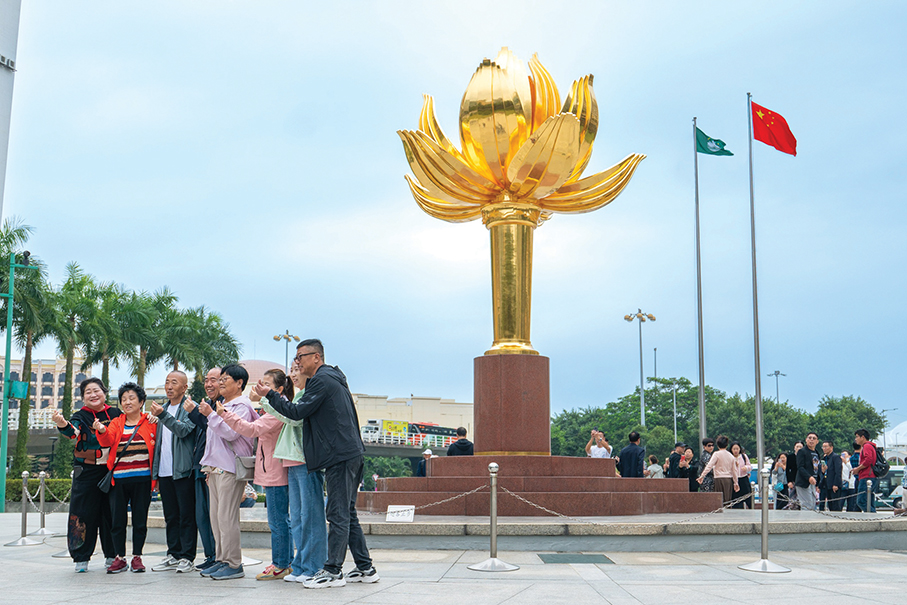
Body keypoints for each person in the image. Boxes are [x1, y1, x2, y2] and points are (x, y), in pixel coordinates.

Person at [260, 339, 379, 589]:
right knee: (347, 513)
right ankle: (365, 567)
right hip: (348, 453)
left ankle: (333, 571)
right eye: (297, 357)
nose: (298, 361)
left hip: (341, 455)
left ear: (316, 357)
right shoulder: (330, 378)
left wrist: (270, 395)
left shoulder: (322, 381)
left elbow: (296, 412)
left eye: (301, 356)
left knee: (337, 513)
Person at [220, 368, 295, 581]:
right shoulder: (272, 407)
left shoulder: (275, 410)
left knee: (278, 520)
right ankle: (284, 562)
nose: (261, 388)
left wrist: (224, 414)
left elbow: (251, 430)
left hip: (275, 471)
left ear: (279, 389)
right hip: (271, 470)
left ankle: (280, 564)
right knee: (281, 519)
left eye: (267, 386)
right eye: (260, 383)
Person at [258, 364, 327, 583]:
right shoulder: (300, 396)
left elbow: (294, 419)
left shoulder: (311, 395)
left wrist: (266, 401)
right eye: (292, 370)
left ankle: (314, 566)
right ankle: (300, 566)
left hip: (305, 460)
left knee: (310, 517)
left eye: (297, 369)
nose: (293, 375)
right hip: (291, 460)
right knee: (297, 517)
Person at [52, 378, 121, 572]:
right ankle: (80, 558)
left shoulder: (115, 413)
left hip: (111, 470)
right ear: (83, 398)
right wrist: (62, 423)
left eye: (96, 390)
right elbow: (73, 433)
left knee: (111, 514)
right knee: (82, 514)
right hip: (86, 471)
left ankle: (113, 556)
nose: (93, 395)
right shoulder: (80, 416)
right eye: (88, 392)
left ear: (104, 392)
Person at [197, 363, 257, 580]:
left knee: (227, 517)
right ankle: (222, 560)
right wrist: (208, 466)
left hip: (230, 468)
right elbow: (213, 441)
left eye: (225, 379)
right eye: (219, 379)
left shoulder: (242, 406)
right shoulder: (223, 405)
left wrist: (211, 415)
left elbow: (231, 434)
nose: (220, 382)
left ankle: (233, 563)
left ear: (239, 383)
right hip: (215, 469)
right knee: (216, 518)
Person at [93, 382, 156, 573]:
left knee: (140, 520)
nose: (127, 402)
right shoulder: (116, 423)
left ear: (141, 401)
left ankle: (137, 557)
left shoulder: (150, 422)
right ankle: (119, 557)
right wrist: (102, 430)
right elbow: (108, 439)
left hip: (143, 480)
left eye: (131, 398)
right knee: (117, 521)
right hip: (118, 481)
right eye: (123, 399)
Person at [150, 371, 199, 573]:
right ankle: (173, 554)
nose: (169, 386)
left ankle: (187, 557)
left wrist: (162, 415)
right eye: (167, 382)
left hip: (183, 470)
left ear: (184, 387)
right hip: (165, 471)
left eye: (174, 383)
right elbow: (159, 443)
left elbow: (183, 430)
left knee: (186, 514)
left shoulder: (190, 408)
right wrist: (156, 474)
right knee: (170, 515)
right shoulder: (163, 408)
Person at [181, 368, 220, 572]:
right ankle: (210, 555)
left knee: (215, 514)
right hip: (200, 464)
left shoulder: (222, 405)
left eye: (213, 380)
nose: (208, 384)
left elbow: (214, 426)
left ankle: (220, 556)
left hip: (214, 467)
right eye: (206, 380)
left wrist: (195, 412)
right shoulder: (208, 404)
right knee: (202, 514)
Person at [698, 435, 738, 505]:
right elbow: (734, 470)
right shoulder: (730, 456)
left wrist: (702, 476)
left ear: (717, 445)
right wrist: (736, 482)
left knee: (719, 500)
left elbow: (709, 466)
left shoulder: (716, 454)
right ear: (727, 445)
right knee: (727, 500)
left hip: (718, 479)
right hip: (728, 479)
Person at [852, 428, 878, 513]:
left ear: (862, 437)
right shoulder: (871, 446)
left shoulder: (866, 446)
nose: (856, 439)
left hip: (867, 476)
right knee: (869, 501)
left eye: (857, 437)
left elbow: (868, 460)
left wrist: (858, 469)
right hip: (871, 476)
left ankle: (872, 516)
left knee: (861, 501)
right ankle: (873, 518)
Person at [795, 432, 820, 511]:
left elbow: (816, 468)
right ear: (806, 440)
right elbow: (800, 467)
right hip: (804, 482)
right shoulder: (802, 451)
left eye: (814, 438)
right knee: (807, 506)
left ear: (817, 441)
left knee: (812, 505)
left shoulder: (816, 453)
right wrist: (809, 477)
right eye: (809, 438)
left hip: (813, 483)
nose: (811, 440)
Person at [819, 440, 843, 512]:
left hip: (833, 484)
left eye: (826, 447)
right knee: (829, 504)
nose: (824, 448)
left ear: (831, 447)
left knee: (835, 504)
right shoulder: (824, 458)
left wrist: (836, 484)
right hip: (826, 483)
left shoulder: (835, 457)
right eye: (823, 447)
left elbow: (838, 471)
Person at [730, 442, 752, 509]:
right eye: (734, 449)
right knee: (736, 500)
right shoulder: (730, 457)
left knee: (748, 497)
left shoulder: (744, 456)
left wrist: (746, 468)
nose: (736, 451)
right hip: (734, 480)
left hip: (743, 479)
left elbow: (750, 466)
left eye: (737, 449)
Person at [785, 441, 804, 509]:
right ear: (794, 448)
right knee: (792, 499)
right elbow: (787, 470)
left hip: (802, 481)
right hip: (793, 480)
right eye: (797, 447)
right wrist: (789, 481)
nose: (798, 448)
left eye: (800, 447)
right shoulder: (790, 457)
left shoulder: (804, 456)